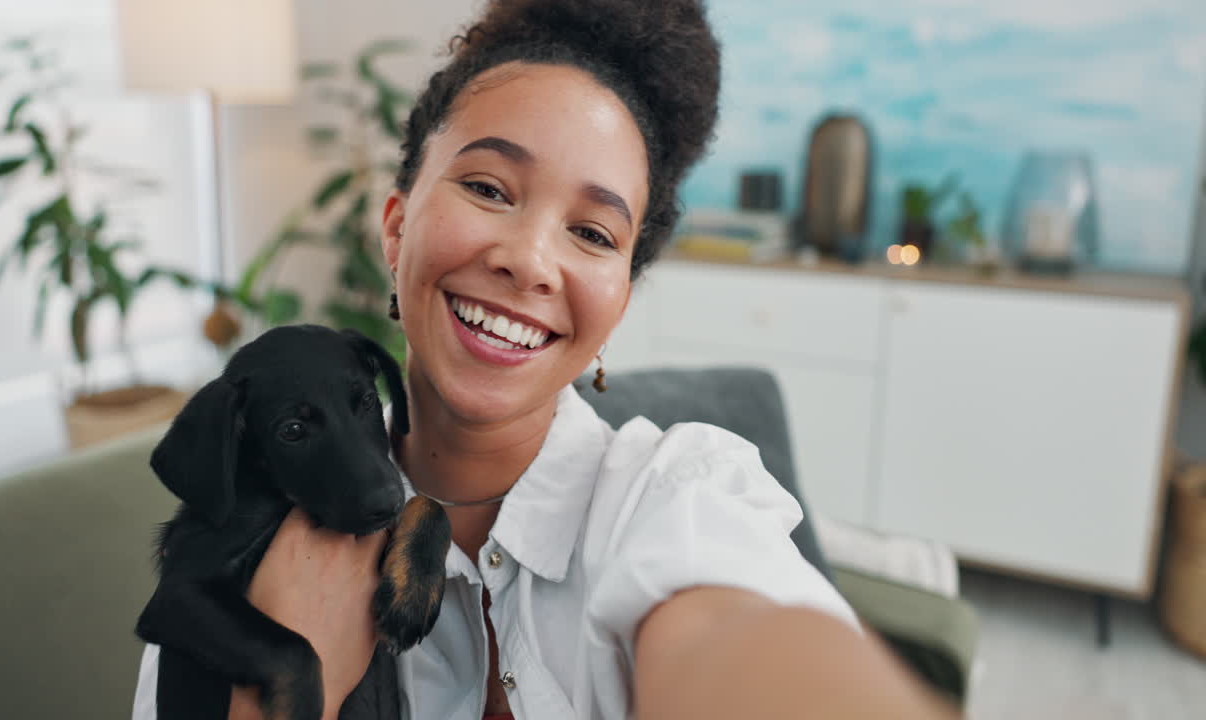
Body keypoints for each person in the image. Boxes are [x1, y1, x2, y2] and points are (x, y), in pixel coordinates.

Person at [134, 1, 958, 718]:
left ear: (619, 302)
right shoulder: (244, 531)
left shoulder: (673, 500)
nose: (529, 261)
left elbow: (735, 637)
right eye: (488, 188)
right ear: (396, 227)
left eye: (593, 233)